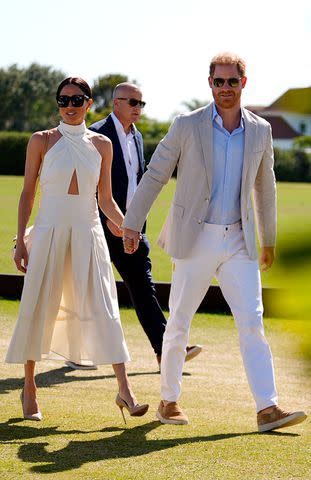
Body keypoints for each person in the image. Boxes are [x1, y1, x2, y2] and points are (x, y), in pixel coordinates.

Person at [122, 53, 307, 432]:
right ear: (209, 83)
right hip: (195, 237)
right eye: (219, 81)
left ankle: (267, 409)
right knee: (179, 323)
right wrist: (131, 224)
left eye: (232, 81)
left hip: (239, 240)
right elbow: (156, 174)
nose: (226, 88)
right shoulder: (187, 125)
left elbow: (265, 187)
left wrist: (267, 240)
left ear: (244, 82)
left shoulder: (261, 130)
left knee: (252, 322)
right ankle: (169, 401)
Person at [6, 77, 148, 423]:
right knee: (39, 304)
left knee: (105, 306)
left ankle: (125, 390)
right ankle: (29, 387)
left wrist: (127, 229)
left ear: (89, 103)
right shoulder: (41, 140)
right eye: (63, 99)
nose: (69, 106)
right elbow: (28, 193)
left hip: (89, 233)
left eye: (77, 99)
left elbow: (106, 200)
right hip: (50, 231)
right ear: (58, 103)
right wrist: (21, 240)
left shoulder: (101, 145)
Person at [65, 82, 200, 371]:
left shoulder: (137, 137)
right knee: (89, 286)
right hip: (98, 225)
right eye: (133, 103)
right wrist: (110, 221)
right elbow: (85, 185)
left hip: (130, 226)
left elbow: (138, 182)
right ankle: (76, 351)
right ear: (116, 103)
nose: (138, 108)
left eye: (141, 103)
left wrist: (131, 223)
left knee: (142, 283)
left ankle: (165, 350)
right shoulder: (96, 134)